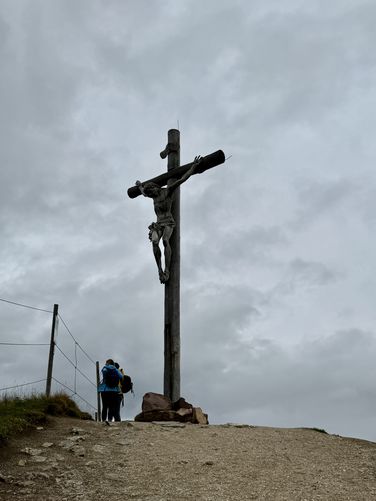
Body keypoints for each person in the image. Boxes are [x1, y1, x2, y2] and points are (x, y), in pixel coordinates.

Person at [136, 155, 202, 284]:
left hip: (168, 222)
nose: (152, 196)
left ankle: (167, 270)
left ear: (156, 188)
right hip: (158, 224)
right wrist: (139, 187)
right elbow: (144, 193)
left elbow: (182, 179)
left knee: (165, 241)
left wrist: (194, 166)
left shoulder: (167, 191)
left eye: (153, 193)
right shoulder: (152, 195)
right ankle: (159, 270)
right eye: (151, 194)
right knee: (154, 242)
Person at [98, 358, 123, 423]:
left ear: (108, 363)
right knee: (111, 406)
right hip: (114, 391)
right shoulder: (115, 369)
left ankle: (103, 420)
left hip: (105, 390)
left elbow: (103, 374)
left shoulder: (105, 368)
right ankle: (109, 420)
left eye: (106, 363)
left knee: (104, 406)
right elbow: (121, 376)